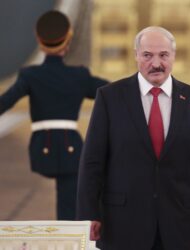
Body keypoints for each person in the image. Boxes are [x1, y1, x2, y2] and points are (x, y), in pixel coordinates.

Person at [76, 26, 190, 250]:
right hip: (121, 223)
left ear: (174, 56)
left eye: (163, 55)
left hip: (177, 224)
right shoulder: (109, 97)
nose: (156, 63)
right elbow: (92, 162)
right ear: (136, 55)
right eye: (147, 55)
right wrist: (88, 214)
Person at [0, 10, 108, 220]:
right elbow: (111, 92)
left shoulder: (30, 75)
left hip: (41, 148)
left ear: (39, 40)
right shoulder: (79, 75)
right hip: (72, 148)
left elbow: (5, 102)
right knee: (73, 203)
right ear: (68, 39)